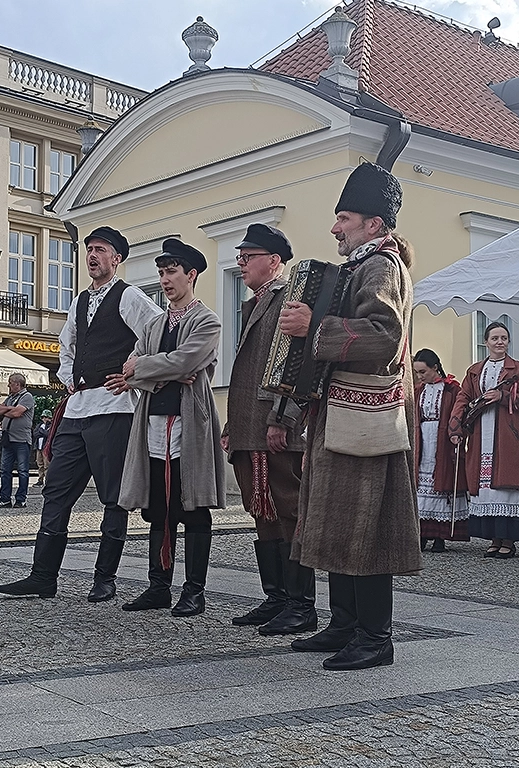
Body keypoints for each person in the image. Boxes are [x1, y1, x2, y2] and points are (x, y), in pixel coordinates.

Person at [279, 162, 420, 670]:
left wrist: (313, 325)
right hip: (342, 411)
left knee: (365, 523)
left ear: (375, 224)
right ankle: (344, 623)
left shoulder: (382, 266)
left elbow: (383, 337)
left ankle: (375, 635)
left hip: (367, 416)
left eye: (343, 218)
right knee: (337, 518)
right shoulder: (362, 265)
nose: (335, 228)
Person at [0, 226, 162, 601]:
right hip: (78, 408)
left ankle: (104, 578)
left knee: (113, 496)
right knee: (56, 491)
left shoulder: (130, 296)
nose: (92, 256)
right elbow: (65, 344)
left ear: (116, 258)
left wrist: (134, 368)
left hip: (114, 407)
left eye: (100, 250)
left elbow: (156, 332)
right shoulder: (78, 301)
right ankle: (43, 576)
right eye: (89, 249)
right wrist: (69, 377)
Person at [114, 239, 224, 617]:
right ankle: (158, 585)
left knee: (191, 505)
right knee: (158, 508)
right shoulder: (155, 323)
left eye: (171, 272)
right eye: (161, 273)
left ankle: (194, 590)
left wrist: (150, 369)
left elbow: (188, 359)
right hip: (153, 422)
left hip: (189, 423)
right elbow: (134, 365)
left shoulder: (207, 320)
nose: (164, 279)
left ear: (190, 275)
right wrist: (159, 372)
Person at [221, 224, 313, 635]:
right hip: (249, 427)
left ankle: (301, 604)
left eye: (248, 257)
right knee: (262, 513)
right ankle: (276, 598)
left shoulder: (287, 299)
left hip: (275, 426)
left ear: (273, 261)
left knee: (289, 511)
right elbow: (245, 371)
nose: (240, 264)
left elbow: (297, 363)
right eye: (239, 257)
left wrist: (284, 417)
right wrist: (231, 424)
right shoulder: (255, 302)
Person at [449, 321, 519, 559]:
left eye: (504, 338)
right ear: (486, 342)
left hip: (508, 434)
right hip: (481, 433)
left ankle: (508, 539)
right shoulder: (474, 370)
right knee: (486, 487)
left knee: (506, 485)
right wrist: (456, 427)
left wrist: (502, 395)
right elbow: (463, 397)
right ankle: (494, 538)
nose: (500, 342)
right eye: (495, 338)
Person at [412, 348, 469, 553]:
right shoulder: (419, 390)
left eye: (423, 372)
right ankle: (422, 533)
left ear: (435, 368)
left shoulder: (452, 389)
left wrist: (456, 433)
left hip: (443, 438)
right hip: (423, 438)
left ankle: (440, 536)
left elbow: (460, 412)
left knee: (442, 480)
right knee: (422, 483)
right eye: (417, 372)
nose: (420, 376)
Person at [0, 374, 35, 510]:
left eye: (10, 383)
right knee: (5, 470)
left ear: (17, 384)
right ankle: (5, 499)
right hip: (8, 439)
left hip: (21, 440)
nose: (8, 385)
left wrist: (7, 410)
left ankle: (21, 499)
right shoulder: (10, 398)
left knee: (22, 471)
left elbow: (17, 414)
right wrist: (11, 409)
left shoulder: (27, 397)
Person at [33, 411, 52, 486]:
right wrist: (42, 432)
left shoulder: (50, 426)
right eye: (44, 417)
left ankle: (47, 480)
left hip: (45, 447)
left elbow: (48, 434)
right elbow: (35, 434)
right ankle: (40, 479)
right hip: (39, 447)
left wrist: (41, 431)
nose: (45, 419)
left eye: (47, 417)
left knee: (46, 464)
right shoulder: (39, 425)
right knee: (39, 464)